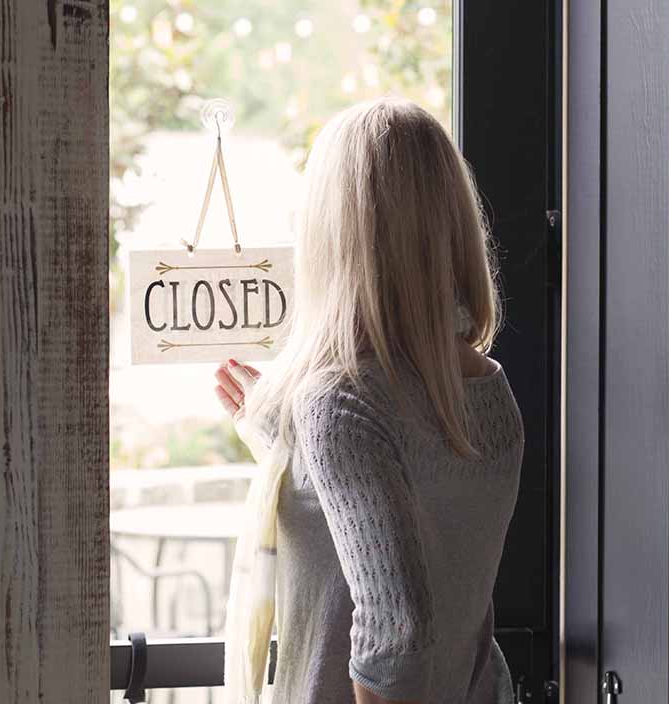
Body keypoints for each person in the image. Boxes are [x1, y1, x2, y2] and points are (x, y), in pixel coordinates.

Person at [213, 97, 525, 704]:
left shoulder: (341, 404)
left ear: (333, 233)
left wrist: (311, 417)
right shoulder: (490, 391)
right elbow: (426, 511)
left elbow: (395, 638)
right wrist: (282, 427)